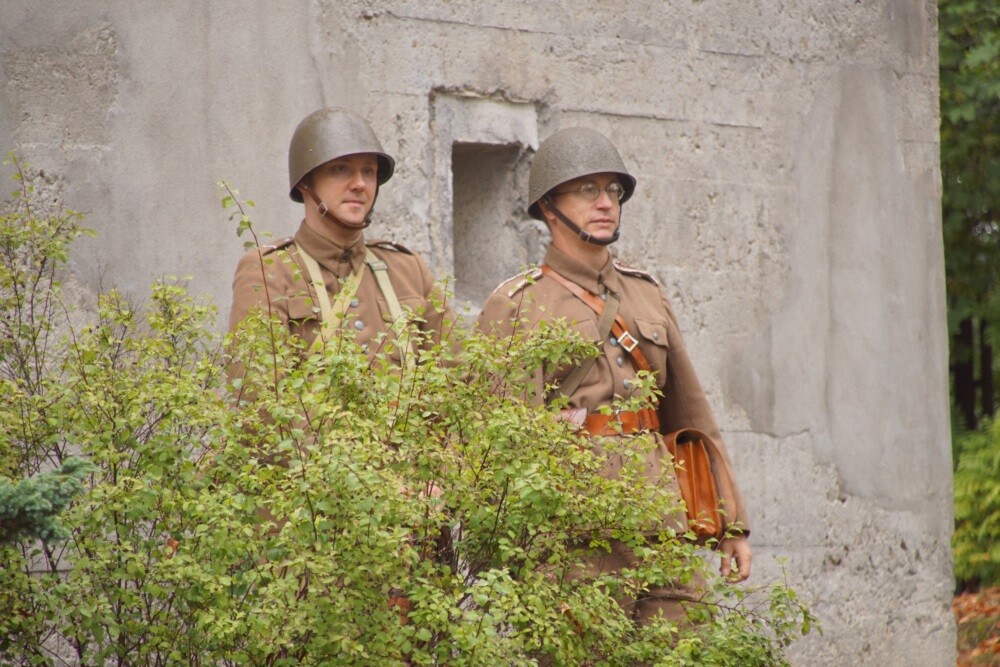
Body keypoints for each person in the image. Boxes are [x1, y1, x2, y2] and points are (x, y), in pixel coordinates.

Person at [476, 127, 752, 625]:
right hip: (574, 534)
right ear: (548, 206)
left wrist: (730, 523)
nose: (605, 202)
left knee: (684, 650)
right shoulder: (517, 304)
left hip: (661, 518)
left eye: (613, 190)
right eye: (587, 189)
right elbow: (499, 441)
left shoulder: (646, 293)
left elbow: (691, 412)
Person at [228, 108, 452, 364]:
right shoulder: (269, 271)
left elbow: (459, 375)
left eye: (368, 171)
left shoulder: (408, 270)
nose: (360, 184)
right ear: (305, 182)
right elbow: (257, 383)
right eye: (340, 169)